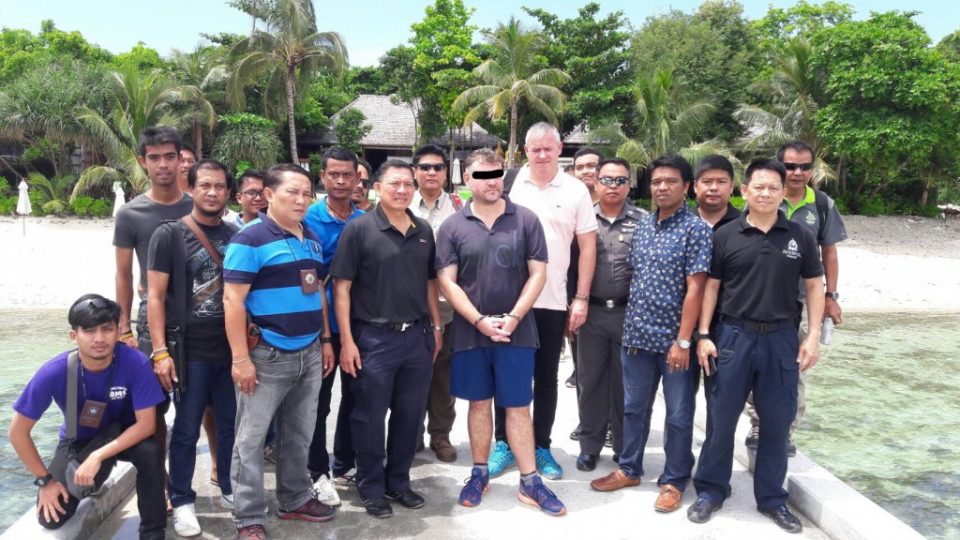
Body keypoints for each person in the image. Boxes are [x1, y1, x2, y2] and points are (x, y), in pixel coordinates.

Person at [688, 159, 824, 533]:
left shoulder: (800, 237)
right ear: (744, 191)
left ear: (784, 193)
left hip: (781, 339)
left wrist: (812, 337)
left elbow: (814, 286)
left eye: (773, 188)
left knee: (776, 424)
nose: (765, 193)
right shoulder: (726, 236)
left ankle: (772, 499)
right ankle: (712, 491)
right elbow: (711, 288)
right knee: (721, 420)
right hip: (733, 337)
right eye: (758, 187)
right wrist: (703, 335)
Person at [436, 148, 566, 516]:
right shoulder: (452, 227)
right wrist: (478, 319)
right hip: (471, 332)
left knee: (519, 407)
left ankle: (529, 481)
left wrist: (512, 317)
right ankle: (479, 472)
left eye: (496, 174)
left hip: (517, 332)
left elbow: (538, 272)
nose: (491, 181)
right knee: (478, 404)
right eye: (482, 175)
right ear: (466, 179)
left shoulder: (525, 220)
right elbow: (447, 281)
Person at [590, 154, 712, 517]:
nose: (661, 187)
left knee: (677, 415)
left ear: (686, 187)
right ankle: (629, 468)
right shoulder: (643, 226)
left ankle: (673, 480)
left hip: (675, 343)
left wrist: (684, 340)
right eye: (657, 181)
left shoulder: (697, 229)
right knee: (633, 409)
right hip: (636, 337)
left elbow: (697, 289)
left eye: (671, 181)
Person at [223, 164, 337, 540]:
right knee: (251, 440)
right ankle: (248, 515)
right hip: (266, 354)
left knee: (299, 433)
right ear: (269, 195)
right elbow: (232, 301)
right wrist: (240, 359)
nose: (302, 200)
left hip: (309, 352)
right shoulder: (250, 239)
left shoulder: (312, 239)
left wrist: (323, 339)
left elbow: (316, 290)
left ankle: (294, 498)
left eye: (307, 193)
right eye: (293, 192)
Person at [330, 160, 442, 519]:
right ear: (377, 187)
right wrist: (346, 341)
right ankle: (371, 486)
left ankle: (399, 481)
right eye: (394, 183)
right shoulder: (359, 229)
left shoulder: (423, 229)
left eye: (408, 184)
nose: (402, 190)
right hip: (373, 340)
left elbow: (429, 283)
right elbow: (341, 288)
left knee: (410, 417)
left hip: (418, 338)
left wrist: (436, 328)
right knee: (369, 417)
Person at [8, 294, 166, 539]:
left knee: (150, 452)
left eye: (107, 329)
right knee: (51, 518)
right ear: (74, 335)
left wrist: (100, 455)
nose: (100, 339)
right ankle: (95, 476)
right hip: (78, 442)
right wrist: (45, 481)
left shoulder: (136, 362)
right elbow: (18, 432)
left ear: (117, 332)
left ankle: (153, 532)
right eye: (90, 331)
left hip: (124, 436)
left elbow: (146, 425)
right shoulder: (54, 371)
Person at [491, 122, 598, 480]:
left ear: (560, 148)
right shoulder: (507, 182)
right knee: (506, 374)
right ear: (524, 150)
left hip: (553, 300)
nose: (540, 155)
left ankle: (541, 445)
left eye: (547, 148)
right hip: (508, 300)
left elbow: (586, 248)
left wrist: (580, 297)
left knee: (546, 377)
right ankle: (504, 443)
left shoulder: (576, 190)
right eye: (534, 149)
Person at [146, 158, 238, 536]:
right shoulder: (169, 235)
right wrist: (160, 351)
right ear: (192, 188)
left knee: (232, 426)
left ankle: (231, 488)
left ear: (228, 192)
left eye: (219, 187)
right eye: (205, 186)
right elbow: (154, 296)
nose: (212, 193)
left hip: (230, 350)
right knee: (185, 429)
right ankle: (183, 500)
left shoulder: (235, 235)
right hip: (189, 352)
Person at [745, 141, 847, 455]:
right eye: (790, 166)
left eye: (805, 166)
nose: (798, 172)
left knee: (794, 365)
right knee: (752, 365)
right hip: (756, 299)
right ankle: (758, 421)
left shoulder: (822, 205)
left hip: (801, 303)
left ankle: (787, 429)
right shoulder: (759, 199)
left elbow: (828, 252)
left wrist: (831, 295)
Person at [113, 126, 193, 510]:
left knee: (205, 402)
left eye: (169, 156)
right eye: (154, 157)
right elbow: (124, 274)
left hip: (199, 320)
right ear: (143, 162)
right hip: (151, 322)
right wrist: (123, 327)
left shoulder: (197, 206)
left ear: (181, 159)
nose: (163, 164)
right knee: (155, 407)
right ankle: (160, 485)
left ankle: (214, 474)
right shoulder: (131, 213)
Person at [575, 158, 646, 472]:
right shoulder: (583, 219)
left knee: (624, 384)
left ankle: (621, 446)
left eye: (620, 180)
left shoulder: (644, 221)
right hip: (591, 313)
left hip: (628, 314)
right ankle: (589, 446)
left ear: (629, 184)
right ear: (596, 182)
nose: (613, 186)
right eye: (607, 179)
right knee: (590, 382)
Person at [304, 146, 365, 506]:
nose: (341, 181)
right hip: (318, 328)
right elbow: (309, 282)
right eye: (334, 174)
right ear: (323, 177)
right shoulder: (308, 219)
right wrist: (326, 336)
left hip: (356, 326)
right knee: (319, 402)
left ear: (359, 178)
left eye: (348, 174)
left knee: (355, 397)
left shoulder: (364, 220)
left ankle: (345, 462)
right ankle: (317, 471)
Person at [410, 144, 460, 462]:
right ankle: (410, 433)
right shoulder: (398, 202)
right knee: (411, 371)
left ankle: (440, 435)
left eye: (438, 167)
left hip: (446, 303)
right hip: (408, 302)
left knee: (444, 373)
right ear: (415, 170)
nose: (431, 172)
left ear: (445, 173)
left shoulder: (458, 208)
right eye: (425, 167)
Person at [564, 147, 603, 393]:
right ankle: (588, 422)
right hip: (575, 296)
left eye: (592, 166)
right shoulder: (569, 207)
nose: (586, 171)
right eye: (580, 167)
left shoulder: (618, 209)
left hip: (608, 299)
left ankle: (611, 424)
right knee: (582, 361)